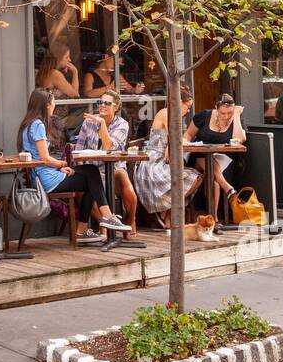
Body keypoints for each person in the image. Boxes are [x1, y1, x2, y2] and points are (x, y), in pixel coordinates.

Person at [19, 88, 129, 244]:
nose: (54, 106)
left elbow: (40, 158)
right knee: (92, 175)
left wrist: (58, 167)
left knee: (92, 174)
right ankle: (105, 219)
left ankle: (87, 228)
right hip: (47, 180)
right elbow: (44, 158)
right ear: (46, 105)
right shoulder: (38, 125)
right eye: (53, 103)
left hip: (44, 175)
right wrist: (61, 164)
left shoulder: (29, 123)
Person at [72, 88, 138, 235]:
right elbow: (78, 150)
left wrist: (102, 124)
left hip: (113, 167)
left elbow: (108, 147)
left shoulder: (122, 124)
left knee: (125, 182)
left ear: (116, 106)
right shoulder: (88, 122)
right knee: (83, 188)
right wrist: (82, 170)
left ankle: (129, 221)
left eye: (107, 103)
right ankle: (107, 225)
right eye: (100, 102)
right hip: (92, 169)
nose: (102, 105)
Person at [133, 86, 202, 228]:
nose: (188, 111)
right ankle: (166, 212)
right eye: (187, 107)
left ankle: (168, 212)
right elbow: (174, 136)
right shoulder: (166, 113)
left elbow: (176, 140)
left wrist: (172, 147)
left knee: (196, 177)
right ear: (178, 103)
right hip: (152, 161)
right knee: (184, 177)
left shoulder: (174, 116)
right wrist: (170, 148)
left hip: (164, 160)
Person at [185, 94, 245, 216]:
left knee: (214, 178)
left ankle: (214, 217)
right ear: (216, 108)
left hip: (223, 158)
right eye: (223, 113)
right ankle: (227, 189)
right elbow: (188, 135)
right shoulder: (204, 116)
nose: (227, 116)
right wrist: (186, 143)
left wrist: (237, 116)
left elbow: (239, 139)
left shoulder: (236, 119)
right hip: (199, 155)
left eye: (230, 113)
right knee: (206, 159)